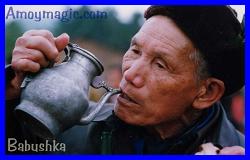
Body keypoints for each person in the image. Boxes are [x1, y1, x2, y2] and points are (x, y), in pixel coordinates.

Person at [5, 6, 245, 154]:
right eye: (135, 51)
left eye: (160, 64)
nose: (130, 74)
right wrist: (11, 97)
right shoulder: (74, 127)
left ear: (207, 92)